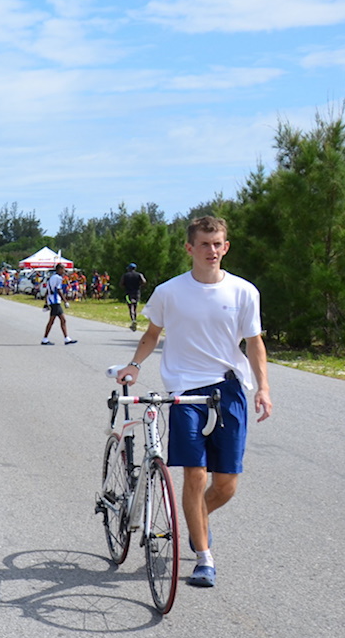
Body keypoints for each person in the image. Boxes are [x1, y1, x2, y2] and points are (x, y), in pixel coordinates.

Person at [114, 215, 272, 589]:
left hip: (229, 390)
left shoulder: (243, 292)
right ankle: (204, 558)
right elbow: (152, 334)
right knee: (194, 475)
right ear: (190, 248)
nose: (212, 251)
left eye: (218, 244)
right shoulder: (170, 292)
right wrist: (134, 366)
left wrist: (263, 388)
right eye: (204, 244)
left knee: (227, 483)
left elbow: (254, 344)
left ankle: (197, 519)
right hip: (185, 391)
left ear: (226, 247)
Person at [41, 266, 76, 345]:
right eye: (63, 269)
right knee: (60, 320)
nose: (64, 271)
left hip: (52, 300)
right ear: (59, 269)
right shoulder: (58, 278)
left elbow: (47, 291)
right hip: (55, 301)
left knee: (54, 320)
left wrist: (46, 302)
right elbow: (58, 290)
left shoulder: (52, 277)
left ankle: (47, 338)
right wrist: (65, 301)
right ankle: (46, 339)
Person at [120, 262, 146, 332]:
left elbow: (121, 284)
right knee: (135, 307)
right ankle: (134, 320)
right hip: (137, 292)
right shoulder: (139, 275)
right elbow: (144, 281)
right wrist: (139, 285)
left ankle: (133, 320)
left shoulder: (125, 275)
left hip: (129, 293)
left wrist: (126, 285)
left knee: (130, 307)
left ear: (129, 269)